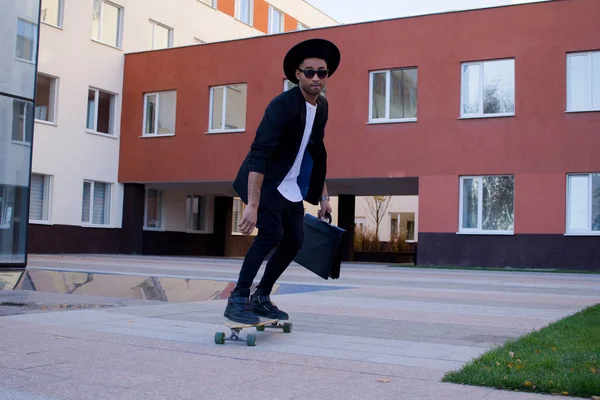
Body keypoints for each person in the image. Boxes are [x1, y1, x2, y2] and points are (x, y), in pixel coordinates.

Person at [225, 38, 341, 324]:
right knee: (271, 235)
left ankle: (261, 296)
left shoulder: (321, 107)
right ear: (297, 74)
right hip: (264, 183)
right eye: (310, 71)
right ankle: (238, 297)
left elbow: (316, 152)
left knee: (294, 240)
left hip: (290, 187)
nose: (316, 78)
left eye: (322, 72)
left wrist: (324, 196)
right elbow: (259, 154)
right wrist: (253, 204)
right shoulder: (282, 106)